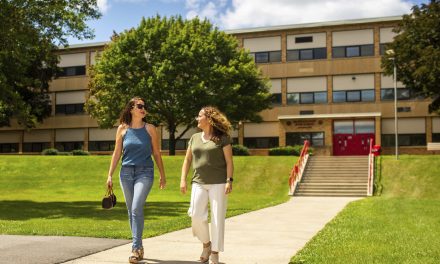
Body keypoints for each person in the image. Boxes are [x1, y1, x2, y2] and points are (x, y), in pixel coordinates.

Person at [106, 97, 166, 264]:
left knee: (136, 208)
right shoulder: (122, 129)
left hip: (145, 172)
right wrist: (110, 174)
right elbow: (117, 153)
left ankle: (135, 248)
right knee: (131, 211)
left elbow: (156, 153)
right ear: (131, 109)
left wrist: (162, 174)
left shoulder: (150, 129)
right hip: (125, 173)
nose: (143, 108)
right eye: (139, 106)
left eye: (144, 106)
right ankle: (138, 248)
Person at [180, 106, 234, 264]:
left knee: (217, 218)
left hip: (218, 183)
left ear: (209, 119)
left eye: (199, 116)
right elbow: (187, 160)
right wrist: (183, 179)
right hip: (198, 182)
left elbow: (229, 161)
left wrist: (229, 180)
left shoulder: (222, 138)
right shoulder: (194, 138)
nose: (197, 119)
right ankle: (207, 245)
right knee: (196, 215)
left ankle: (215, 254)